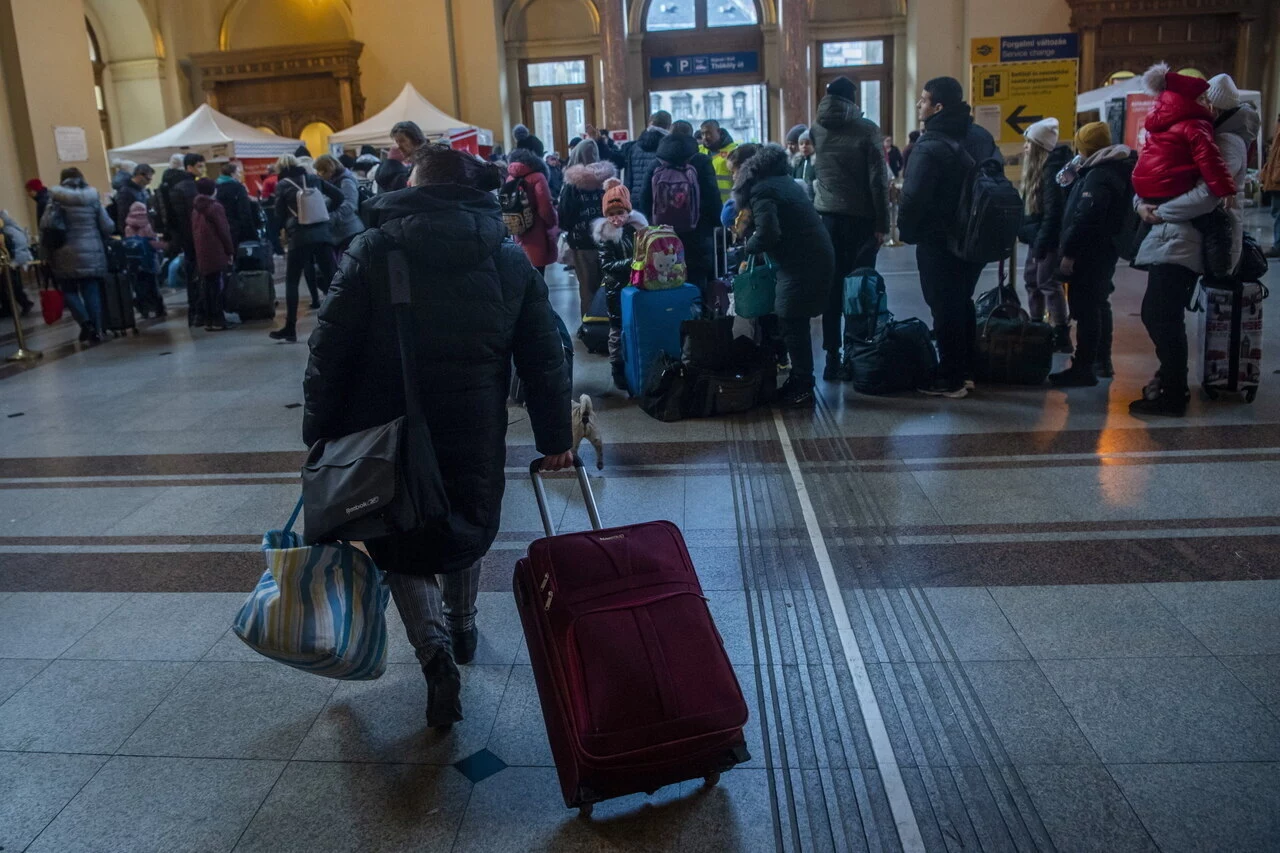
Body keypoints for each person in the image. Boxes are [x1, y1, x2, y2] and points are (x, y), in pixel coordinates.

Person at [303, 144, 573, 728]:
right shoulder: (505, 257)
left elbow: (329, 349)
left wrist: (320, 431)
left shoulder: (372, 250)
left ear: (411, 186)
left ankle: (434, 655)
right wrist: (555, 436)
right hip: (475, 426)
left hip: (387, 430)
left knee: (398, 532)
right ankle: (464, 624)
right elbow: (544, 355)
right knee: (462, 523)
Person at [1131, 74, 1258, 416]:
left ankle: (1173, 392)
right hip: (1174, 233)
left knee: (1160, 314)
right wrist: (1143, 206)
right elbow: (1160, 174)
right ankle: (1170, 384)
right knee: (1161, 314)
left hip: (1184, 237)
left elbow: (1210, 193)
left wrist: (1160, 212)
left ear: (1215, 105)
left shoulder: (1225, 140)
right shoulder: (1206, 130)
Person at [898, 75, 1001, 398]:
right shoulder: (981, 135)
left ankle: (951, 377)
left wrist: (908, 231)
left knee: (943, 306)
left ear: (938, 106)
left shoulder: (929, 144)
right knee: (962, 300)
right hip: (977, 236)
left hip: (939, 238)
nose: (919, 105)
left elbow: (914, 197)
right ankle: (968, 368)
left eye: (924, 100)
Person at [733, 145, 835, 407]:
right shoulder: (782, 181)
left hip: (803, 262)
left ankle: (803, 385)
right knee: (791, 319)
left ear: (746, 172)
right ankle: (799, 380)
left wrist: (748, 246)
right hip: (810, 257)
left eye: (734, 172)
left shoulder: (761, 190)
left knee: (792, 320)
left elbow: (769, 233)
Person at [810, 76, 890, 381]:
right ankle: (858, 353)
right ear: (853, 99)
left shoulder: (816, 128)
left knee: (832, 288)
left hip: (827, 219)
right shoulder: (867, 130)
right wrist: (882, 224)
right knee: (859, 287)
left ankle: (831, 358)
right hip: (860, 220)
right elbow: (878, 181)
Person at [1051, 122, 1136, 387]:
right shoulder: (1112, 167)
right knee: (1099, 303)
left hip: (1089, 252)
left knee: (1086, 308)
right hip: (1104, 249)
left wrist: (1069, 253)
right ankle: (1101, 362)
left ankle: (1084, 367)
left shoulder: (1099, 175)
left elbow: (1085, 218)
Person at [1130, 63, 1236, 215]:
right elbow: (1209, 158)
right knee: (1213, 224)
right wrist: (1225, 189)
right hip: (1170, 185)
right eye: (1204, 98)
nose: (1208, 103)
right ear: (1191, 101)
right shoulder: (1195, 124)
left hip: (1144, 186)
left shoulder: (1159, 120)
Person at [640, 121, 723, 309]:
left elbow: (644, 198)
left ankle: (673, 320)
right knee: (697, 280)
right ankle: (698, 325)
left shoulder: (657, 162)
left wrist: (655, 222)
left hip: (665, 235)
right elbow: (712, 196)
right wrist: (714, 224)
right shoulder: (700, 160)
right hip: (698, 234)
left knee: (667, 277)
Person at [272, 153, 343, 342]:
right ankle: (344, 322)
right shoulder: (313, 178)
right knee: (333, 280)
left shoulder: (283, 185)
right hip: (322, 235)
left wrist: (286, 225)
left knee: (292, 281)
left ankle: (290, 327)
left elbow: (278, 215)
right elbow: (338, 196)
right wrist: (322, 212)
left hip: (299, 238)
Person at [1018, 117, 1073, 350]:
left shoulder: (1051, 172)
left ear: (1039, 147)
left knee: (1047, 283)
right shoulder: (1038, 171)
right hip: (1038, 236)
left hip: (1048, 238)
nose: (1025, 147)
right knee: (1032, 280)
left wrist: (1041, 241)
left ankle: (1061, 334)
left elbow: (1053, 214)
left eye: (1029, 143)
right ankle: (1037, 325)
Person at [40, 168, 112, 343]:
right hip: (92, 251)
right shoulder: (93, 197)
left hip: (63, 251)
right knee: (91, 291)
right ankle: (96, 330)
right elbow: (108, 225)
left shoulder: (55, 198)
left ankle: (85, 324)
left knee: (69, 291)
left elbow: (46, 225)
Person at [592, 178, 648, 390]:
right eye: (611, 214)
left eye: (620, 213)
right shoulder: (606, 237)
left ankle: (636, 363)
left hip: (636, 287)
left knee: (634, 326)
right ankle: (617, 368)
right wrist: (631, 263)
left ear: (628, 212)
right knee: (616, 331)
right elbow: (607, 265)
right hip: (616, 290)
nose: (616, 219)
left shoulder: (637, 230)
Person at [558, 139, 617, 321]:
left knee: (587, 287)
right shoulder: (609, 179)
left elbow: (565, 217)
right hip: (608, 239)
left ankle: (590, 327)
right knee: (609, 285)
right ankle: (611, 325)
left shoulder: (572, 183)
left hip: (582, 241)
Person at [159, 153, 204, 326]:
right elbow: (188, 215)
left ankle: (195, 312)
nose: (202, 169)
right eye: (199, 166)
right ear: (189, 167)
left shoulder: (172, 184)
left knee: (192, 274)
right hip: (192, 236)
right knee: (197, 275)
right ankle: (198, 311)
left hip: (182, 237)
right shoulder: (188, 186)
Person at [506, 148, 560, 276]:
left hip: (517, 230)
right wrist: (552, 223)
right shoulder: (538, 177)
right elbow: (545, 208)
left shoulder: (510, 178)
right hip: (537, 233)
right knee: (538, 275)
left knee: (523, 275)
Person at [191, 177, 234, 332]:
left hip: (202, 251)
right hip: (216, 250)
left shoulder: (196, 207)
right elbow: (223, 231)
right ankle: (218, 319)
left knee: (207, 287)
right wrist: (230, 250)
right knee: (216, 287)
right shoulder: (215, 207)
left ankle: (209, 319)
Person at [314, 154, 366, 253]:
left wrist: (330, 218)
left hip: (349, 231)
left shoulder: (345, 181)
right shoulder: (332, 182)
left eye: (320, 171)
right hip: (340, 233)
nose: (318, 174)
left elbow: (350, 205)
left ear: (329, 169)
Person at [622, 111, 672, 201]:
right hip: (660, 198)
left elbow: (629, 177)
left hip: (636, 197)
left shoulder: (634, 147)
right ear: (668, 125)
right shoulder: (668, 146)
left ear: (651, 123)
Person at [0, 210, 35, 316]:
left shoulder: (7, 231)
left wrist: (14, 262)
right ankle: (9, 307)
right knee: (7, 285)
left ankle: (24, 303)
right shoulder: (12, 228)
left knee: (11, 285)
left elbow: (16, 247)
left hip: (10, 262)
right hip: (14, 260)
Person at [214, 162, 256, 247]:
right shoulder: (238, 187)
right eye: (238, 172)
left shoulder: (216, 187)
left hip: (221, 226)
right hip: (238, 228)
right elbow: (244, 211)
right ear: (232, 174)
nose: (240, 175)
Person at [699, 119, 738, 204]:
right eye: (702, 134)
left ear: (719, 132)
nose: (705, 137)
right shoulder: (699, 151)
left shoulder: (733, 152)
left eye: (708, 133)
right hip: (706, 205)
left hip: (727, 205)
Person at [1261, 114, 1280, 258]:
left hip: (1277, 178)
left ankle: (1278, 246)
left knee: (1278, 212)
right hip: (1275, 177)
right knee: (1276, 212)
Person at [115, 164, 154, 232]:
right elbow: (123, 214)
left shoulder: (142, 189)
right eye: (148, 179)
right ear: (140, 176)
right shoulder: (125, 191)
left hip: (143, 228)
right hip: (132, 231)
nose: (149, 182)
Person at [792, 131, 815, 199]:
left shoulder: (816, 163)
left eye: (807, 143)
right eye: (801, 144)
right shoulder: (797, 162)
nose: (804, 146)